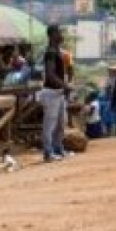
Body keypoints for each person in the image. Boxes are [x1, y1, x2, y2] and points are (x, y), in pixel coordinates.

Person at [39, 26, 69, 162]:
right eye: (59, 32)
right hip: (51, 92)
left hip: (58, 92)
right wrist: (65, 85)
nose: (61, 35)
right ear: (52, 35)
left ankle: (58, 148)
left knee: (61, 123)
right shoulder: (50, 52)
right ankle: (48, 152)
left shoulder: (58, 52)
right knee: (50, 124)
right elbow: (50, 75)